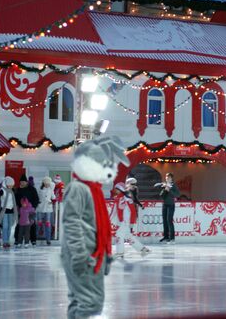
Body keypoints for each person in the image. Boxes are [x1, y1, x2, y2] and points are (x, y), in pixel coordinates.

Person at [62, 136, 129, 319]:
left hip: (93, 253)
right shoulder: (78, 188)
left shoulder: (95, 189)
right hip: (83, 255)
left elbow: (98, 226)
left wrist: (105, 254)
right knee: (91, 301)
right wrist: (79, 255)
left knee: (81, 300)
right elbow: (71, 222)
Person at [113, 182, 150, 259]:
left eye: (117, 189)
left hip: (126, 221)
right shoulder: (117, 198)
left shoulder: (127, 198)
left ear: (120, 189)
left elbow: (133, 211)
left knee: (118, 235)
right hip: (121, 222)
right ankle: (143, 249)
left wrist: (132, 223)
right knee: (128, 237)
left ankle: (120, 252)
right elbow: (114, 211)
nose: (115, 190)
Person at [15, 174, 39, 246]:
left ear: (26, 182)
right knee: (20, 226)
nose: (22, 183)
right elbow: (16, 200)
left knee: (32, 225)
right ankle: (18, 240)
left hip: (30, 211)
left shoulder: (32, 189)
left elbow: (36, 199)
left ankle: (33, 240)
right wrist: (18, 207)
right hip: (21, 211)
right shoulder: (18, 190)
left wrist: (34, 207)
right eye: (21, 182)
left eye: (23, 182)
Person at [0, 177, 17, 249]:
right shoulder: (2, 190)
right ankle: (4, 241)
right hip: (4, 211)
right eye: (10, 185)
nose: (11, 186)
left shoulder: (12, 191)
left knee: (9, 227)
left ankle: (8, 241)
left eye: (12, 185)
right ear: (7, 184)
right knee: (5, 226)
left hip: (11, 211)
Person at [159, 173, 180, 243]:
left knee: (169, 221)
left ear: (171, 178)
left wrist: (169, 190)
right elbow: (161, 196)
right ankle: (166, 237)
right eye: (166, 177)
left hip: (171, 205)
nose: (167, 178)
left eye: (169, 177)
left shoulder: (174, 186)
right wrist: (165, 189)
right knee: (165, 221)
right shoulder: (164, 185)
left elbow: (177, 195)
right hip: (164, 205)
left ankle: (172, 238)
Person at [37, 177, 54, 246]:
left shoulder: (51, 189)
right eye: (46, 183)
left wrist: (51, 201)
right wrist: (39, 202)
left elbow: (54, 197)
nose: (47, 185)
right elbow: (37, 197)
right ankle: (37, 237)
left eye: (48, 183)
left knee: (48, 224)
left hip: (48, 209)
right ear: (43, 183)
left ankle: (48, 239)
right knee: (39, 223)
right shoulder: (40, 189)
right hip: (40, 208)